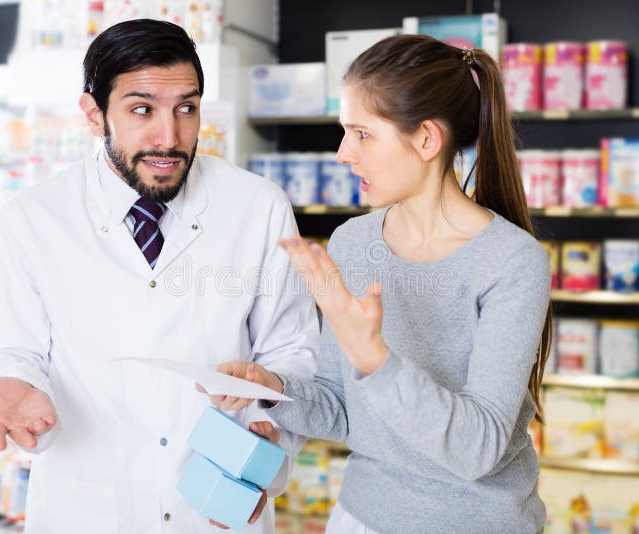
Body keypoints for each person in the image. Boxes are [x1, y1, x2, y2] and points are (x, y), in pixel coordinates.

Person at [0, 19, 318, 534]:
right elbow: (2, 352)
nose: (169, 138)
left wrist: (269, 435)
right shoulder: (31, 218)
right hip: (85, 511)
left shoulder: (257, 206)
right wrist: (19, 389)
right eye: (141, 109)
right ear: (93, 113)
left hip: (215, 510)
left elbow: (294, 351)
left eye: (186, 109)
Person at [211, 34, 553, 533]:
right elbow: (342, 411)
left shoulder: (512, 262)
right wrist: (273, 388)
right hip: (361, 518)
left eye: (362, 134)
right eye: (343, 132)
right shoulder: (354, 243)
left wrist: (374, 358)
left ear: (427, 140)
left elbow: (478, 448)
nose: (343, 154)